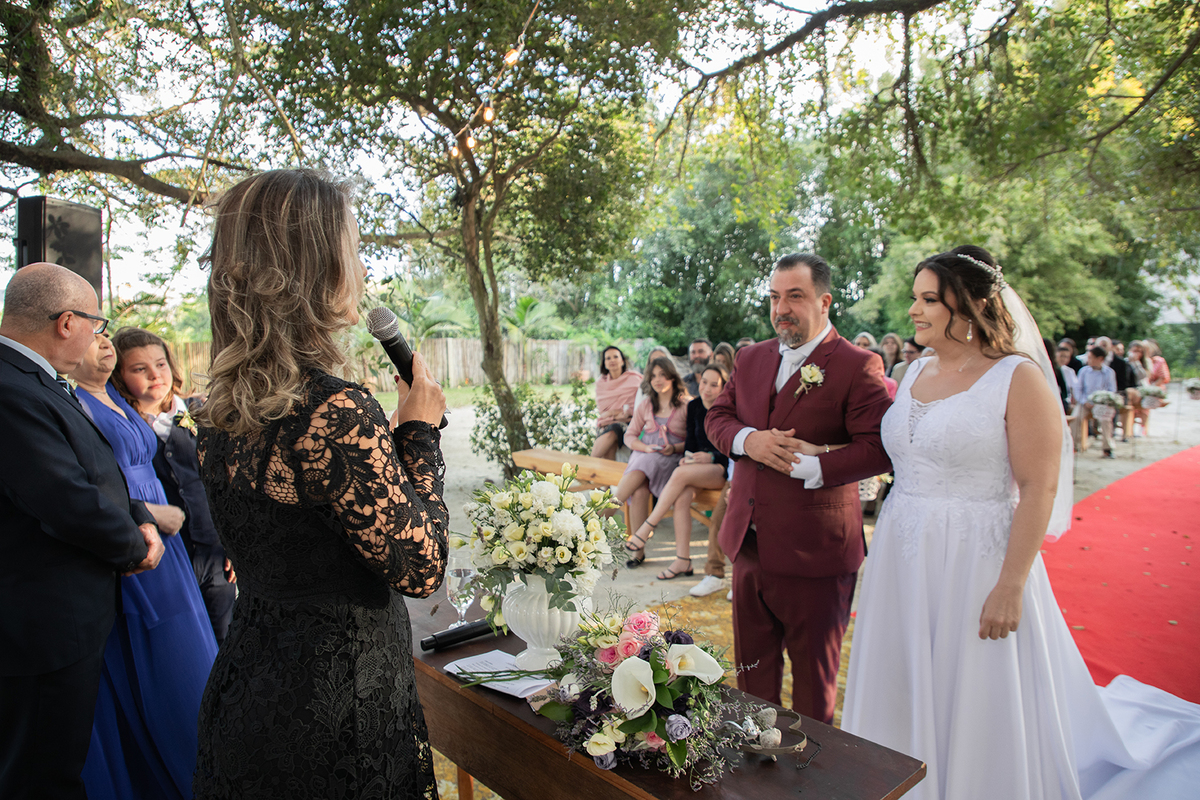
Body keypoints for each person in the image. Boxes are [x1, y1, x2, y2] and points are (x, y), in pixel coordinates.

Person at [841, 245, 1200, 800]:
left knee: (972, 680)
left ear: (973, 306)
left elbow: (1039, 486)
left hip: (976, 558)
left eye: (929, 299)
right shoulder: (911, 373)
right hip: (901, 547)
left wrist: (1011, 585)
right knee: (901, 671)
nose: (913, 310)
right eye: (915, 297)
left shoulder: (1017, 377)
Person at [193, 169, 449, 798]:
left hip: (250, 683)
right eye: (352, 249)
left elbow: (301, 529)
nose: (360, 268)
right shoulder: (332, 412)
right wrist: (420, 433)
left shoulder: (217, 411)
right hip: (334, 717)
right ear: (312, 268)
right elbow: (421, 568)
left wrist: (388, 444)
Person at [705, 253, 892, 723]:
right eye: (774, 297)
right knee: (752, 681)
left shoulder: (858, 364)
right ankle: (756, 759)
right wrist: (749, 440)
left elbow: (880, 448)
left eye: (794, 297)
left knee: (813, 689)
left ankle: (812, 765)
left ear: (824, 302)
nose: (781, 309)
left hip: (816, 554)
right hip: (748, 544)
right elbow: (718, 418)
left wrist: (813, 463)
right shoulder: (751, 357)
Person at [0, 263, 162, 800]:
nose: (99, 335)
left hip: (61, 616)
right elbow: (63, 496)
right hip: (39, 626)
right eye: (97, 323)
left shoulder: (35, 378)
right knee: (41, 775)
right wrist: (135, 545)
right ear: (68, 322)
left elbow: (94, 471)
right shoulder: (8, 386)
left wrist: (139, 514)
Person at [70, 332, 219, 799]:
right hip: (138, 537)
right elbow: (83, 485)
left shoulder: (114, 398)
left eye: (104, 329)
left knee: (199, 649)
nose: (102, 339)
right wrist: (150, 515)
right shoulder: (73, 402)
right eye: (90, 329)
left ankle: (216, 762)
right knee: (162, 662)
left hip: (172, 547)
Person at [110, 327, 237, 644]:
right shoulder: (124, 429)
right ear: (120, 376)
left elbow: (227, 482)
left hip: (214, 550)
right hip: (168, 555)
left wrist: (235, 544)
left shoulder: (200, 413)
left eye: (160, 364)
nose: (155, 375)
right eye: (140, 369)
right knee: (186, 640)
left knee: (224, 636)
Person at [625, 364, 730, 581]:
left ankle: (646, 528)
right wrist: (687, 456)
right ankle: (683, 560)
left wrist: (711, 457)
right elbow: (691, 442)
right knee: (682, 497)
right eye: (704, 382)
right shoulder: (695, 406)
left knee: (680, 474)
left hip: (722, 469)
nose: (707, 389)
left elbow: (732, 450)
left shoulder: (728, 409)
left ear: (723, 388)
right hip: (697, 469)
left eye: (714, 385)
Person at [616, 356, 690, 567]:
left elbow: (695, 441)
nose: (658, 380)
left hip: (671, 460)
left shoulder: (686, 405)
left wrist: (674, 448)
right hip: (645, 456)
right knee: (639, 491)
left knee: (645, 464)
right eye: (654, 376)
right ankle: (637, 553)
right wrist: (645, 447)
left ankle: (604, 511)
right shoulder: (646, 404)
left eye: (663, 375)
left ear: (672, 377)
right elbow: (629, 436)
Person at [590, 345, 641, 460]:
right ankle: (598, 468)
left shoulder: (634, 380)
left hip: (630, 422)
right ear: (605, 364)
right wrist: (615, 414)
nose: (612, 360)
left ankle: (588, 463)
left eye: (615, 357)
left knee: (613, 431)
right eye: (608, 358)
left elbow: (640, 406)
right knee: (610, 442)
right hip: (606, 423)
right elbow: (603, 413)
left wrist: (616, 414)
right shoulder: (601, 384)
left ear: (622, 361)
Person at [1076, 346, 1119, 458]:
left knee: (1106, 420)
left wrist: (1101, 401)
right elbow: (1078, 389)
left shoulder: (1109, 372)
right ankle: (1075, 445)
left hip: (1102, 403)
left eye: (1091, 357)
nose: (1088, 360)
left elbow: (1112, 390)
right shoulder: (1083, 371)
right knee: (1076, 417)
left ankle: (1107, 448)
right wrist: (1084, 401)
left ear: (1100, 359)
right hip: (1085, 402)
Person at [631, 345, 671, 411]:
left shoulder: (676, 384)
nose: (657, 363)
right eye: (653, 360)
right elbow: (637, 411)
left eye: (661, 359)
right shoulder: (643, 387)